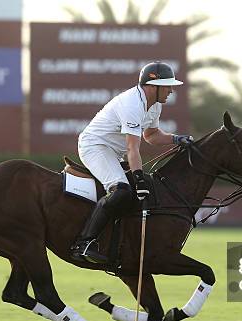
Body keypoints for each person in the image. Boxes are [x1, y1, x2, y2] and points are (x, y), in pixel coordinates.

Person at [69, 61, 193, 264]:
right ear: (153, 86)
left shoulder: (155, 106)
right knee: (122, 191)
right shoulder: (132, 104)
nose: (171, 90)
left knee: (141, 189)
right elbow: (132, 148)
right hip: (95, 147)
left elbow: (151, 135)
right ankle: (84, 244)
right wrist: (138, 179)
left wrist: (176, 139)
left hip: (113, 152)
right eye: (168, 85)